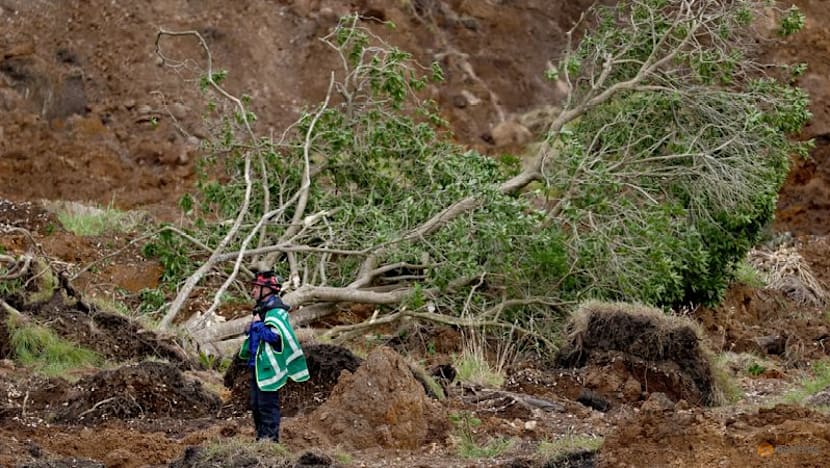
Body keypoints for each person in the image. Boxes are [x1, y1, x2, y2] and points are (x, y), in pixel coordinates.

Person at [238, 269, 309, 442]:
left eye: (256, 287)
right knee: (255, 405)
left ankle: (270, 442)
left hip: (270, 367)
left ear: (267, 289)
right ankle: (260, 439)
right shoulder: (261, 310)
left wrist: (257, 326)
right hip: (256, 365)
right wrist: (251, 327)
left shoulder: (276, 312)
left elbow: (277, 339)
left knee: (267, 405)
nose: (253, 291)